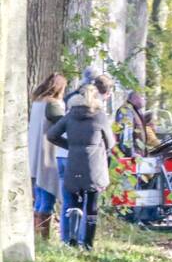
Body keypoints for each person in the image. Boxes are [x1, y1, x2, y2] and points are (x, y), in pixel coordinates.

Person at [46, 84, 115, 250]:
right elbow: (110, 142)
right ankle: (88, 244)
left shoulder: (70, 115)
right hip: (95, 165)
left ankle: (72, 241)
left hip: (74, 162)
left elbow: (51, 135)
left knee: (74, 202)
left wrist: (70, 145)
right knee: (91, 205)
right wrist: (99, 147)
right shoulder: (100, 116)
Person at [28, 73, 67, 243]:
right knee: (47, 194)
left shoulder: (37, 102)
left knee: (39, 196)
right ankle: (42, 238)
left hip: (35, 153)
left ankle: (36, 236)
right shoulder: (53, 105)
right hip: (47, 154)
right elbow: (63, 125)